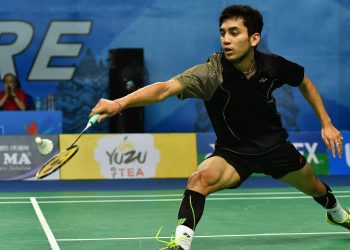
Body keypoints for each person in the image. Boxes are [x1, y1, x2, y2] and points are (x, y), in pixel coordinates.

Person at [90, 5, 348, 250]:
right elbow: (164, 89)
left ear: (254, 38)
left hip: (275, 148)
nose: (226, 39)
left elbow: (304, 82)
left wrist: (326, 123)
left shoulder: (273, 66)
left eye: (234, 33)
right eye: (223, 33)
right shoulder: (211, 74)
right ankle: (180, 244)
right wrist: (119, 102)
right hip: (234, 153)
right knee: (199, 179)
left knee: (314, 187)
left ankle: (336, 214)